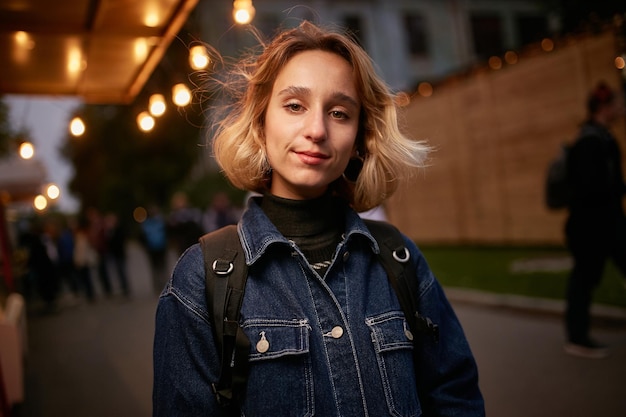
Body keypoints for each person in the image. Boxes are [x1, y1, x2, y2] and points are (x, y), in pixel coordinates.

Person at [153, 21, 484, 416]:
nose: (316, 130)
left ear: (360, 138)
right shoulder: (201, 279)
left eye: (340, 113)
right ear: (261, 122)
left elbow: (455, 397)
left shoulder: (399, 259)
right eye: (294, 106)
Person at [564, 81, 626, 359]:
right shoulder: (590, 141)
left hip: (606, 222)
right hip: (593, 226)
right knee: (584, 279)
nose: (620, 108)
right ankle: (577, 336)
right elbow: (589, 189)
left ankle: (577, 334)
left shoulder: (600, 136)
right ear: (604, 106)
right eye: (616, 103)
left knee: (584, 278)